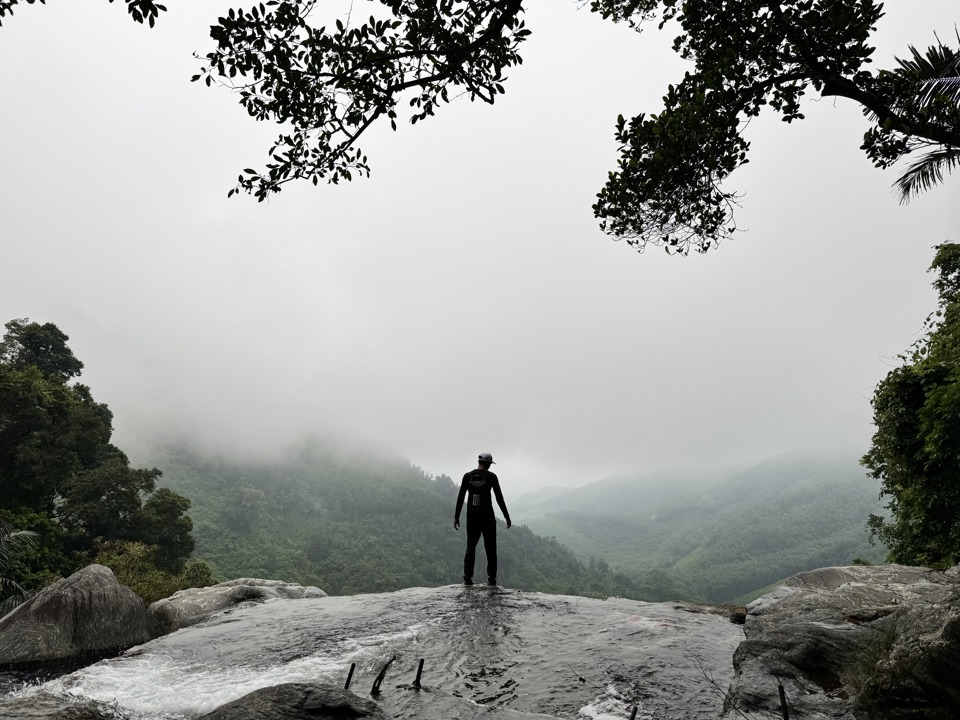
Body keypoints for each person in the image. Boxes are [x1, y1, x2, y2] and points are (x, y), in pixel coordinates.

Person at [454, 451, 512, 586]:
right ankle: (491, 579)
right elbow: (499, 497)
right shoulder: (491, 477)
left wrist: (456, 517)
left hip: (472, 517)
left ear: (479, 462)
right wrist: (506, 516)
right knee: (491, 548)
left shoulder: (467, 476)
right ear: (488, 464)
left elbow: (461, 497)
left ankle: (467, 578)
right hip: (488, 518)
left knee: (470, 547)